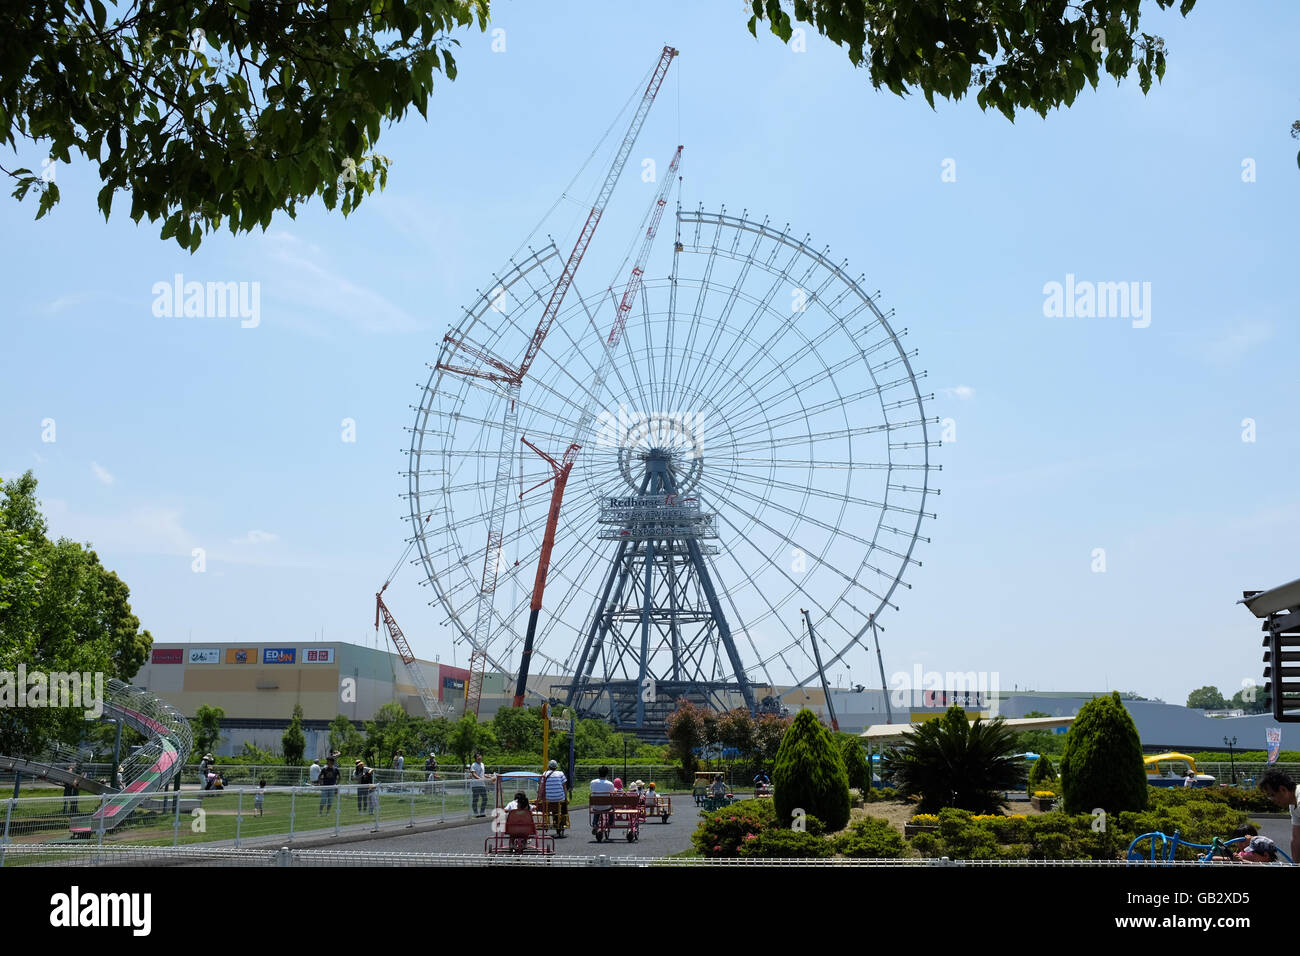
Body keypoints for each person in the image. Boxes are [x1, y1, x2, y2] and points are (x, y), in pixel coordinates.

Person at [1258, 768, 1300, 864]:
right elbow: (1296, 838)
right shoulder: (1293, 805)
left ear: (1283, 789)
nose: (1272, 799)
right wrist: (1295, 864)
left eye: (1272, 795)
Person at [540, 759, 569, 836]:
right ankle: (563, 819)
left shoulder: (545, 774)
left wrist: (540, 797)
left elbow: (542, 788)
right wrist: (566, 798)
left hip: (549, 799)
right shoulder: (560, 774)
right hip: (560, 798)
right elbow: (564, 787)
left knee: (553, 808)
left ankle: (555, 821)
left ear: (549, 767)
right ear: (556, 767)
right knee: (563, 804)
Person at [470, 752, 489, 817]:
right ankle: (476, 813)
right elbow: (473, 774)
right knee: (475, 799)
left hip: (482, 785)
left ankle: (482, 812)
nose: (479, 757)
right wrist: (480, 779)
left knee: (485, 798)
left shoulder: (482, 764)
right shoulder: (473, 765)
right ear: (475, 758)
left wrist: (490, 776)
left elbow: (483, 774)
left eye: (480, 756)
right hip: (475, 785)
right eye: (478, 756)